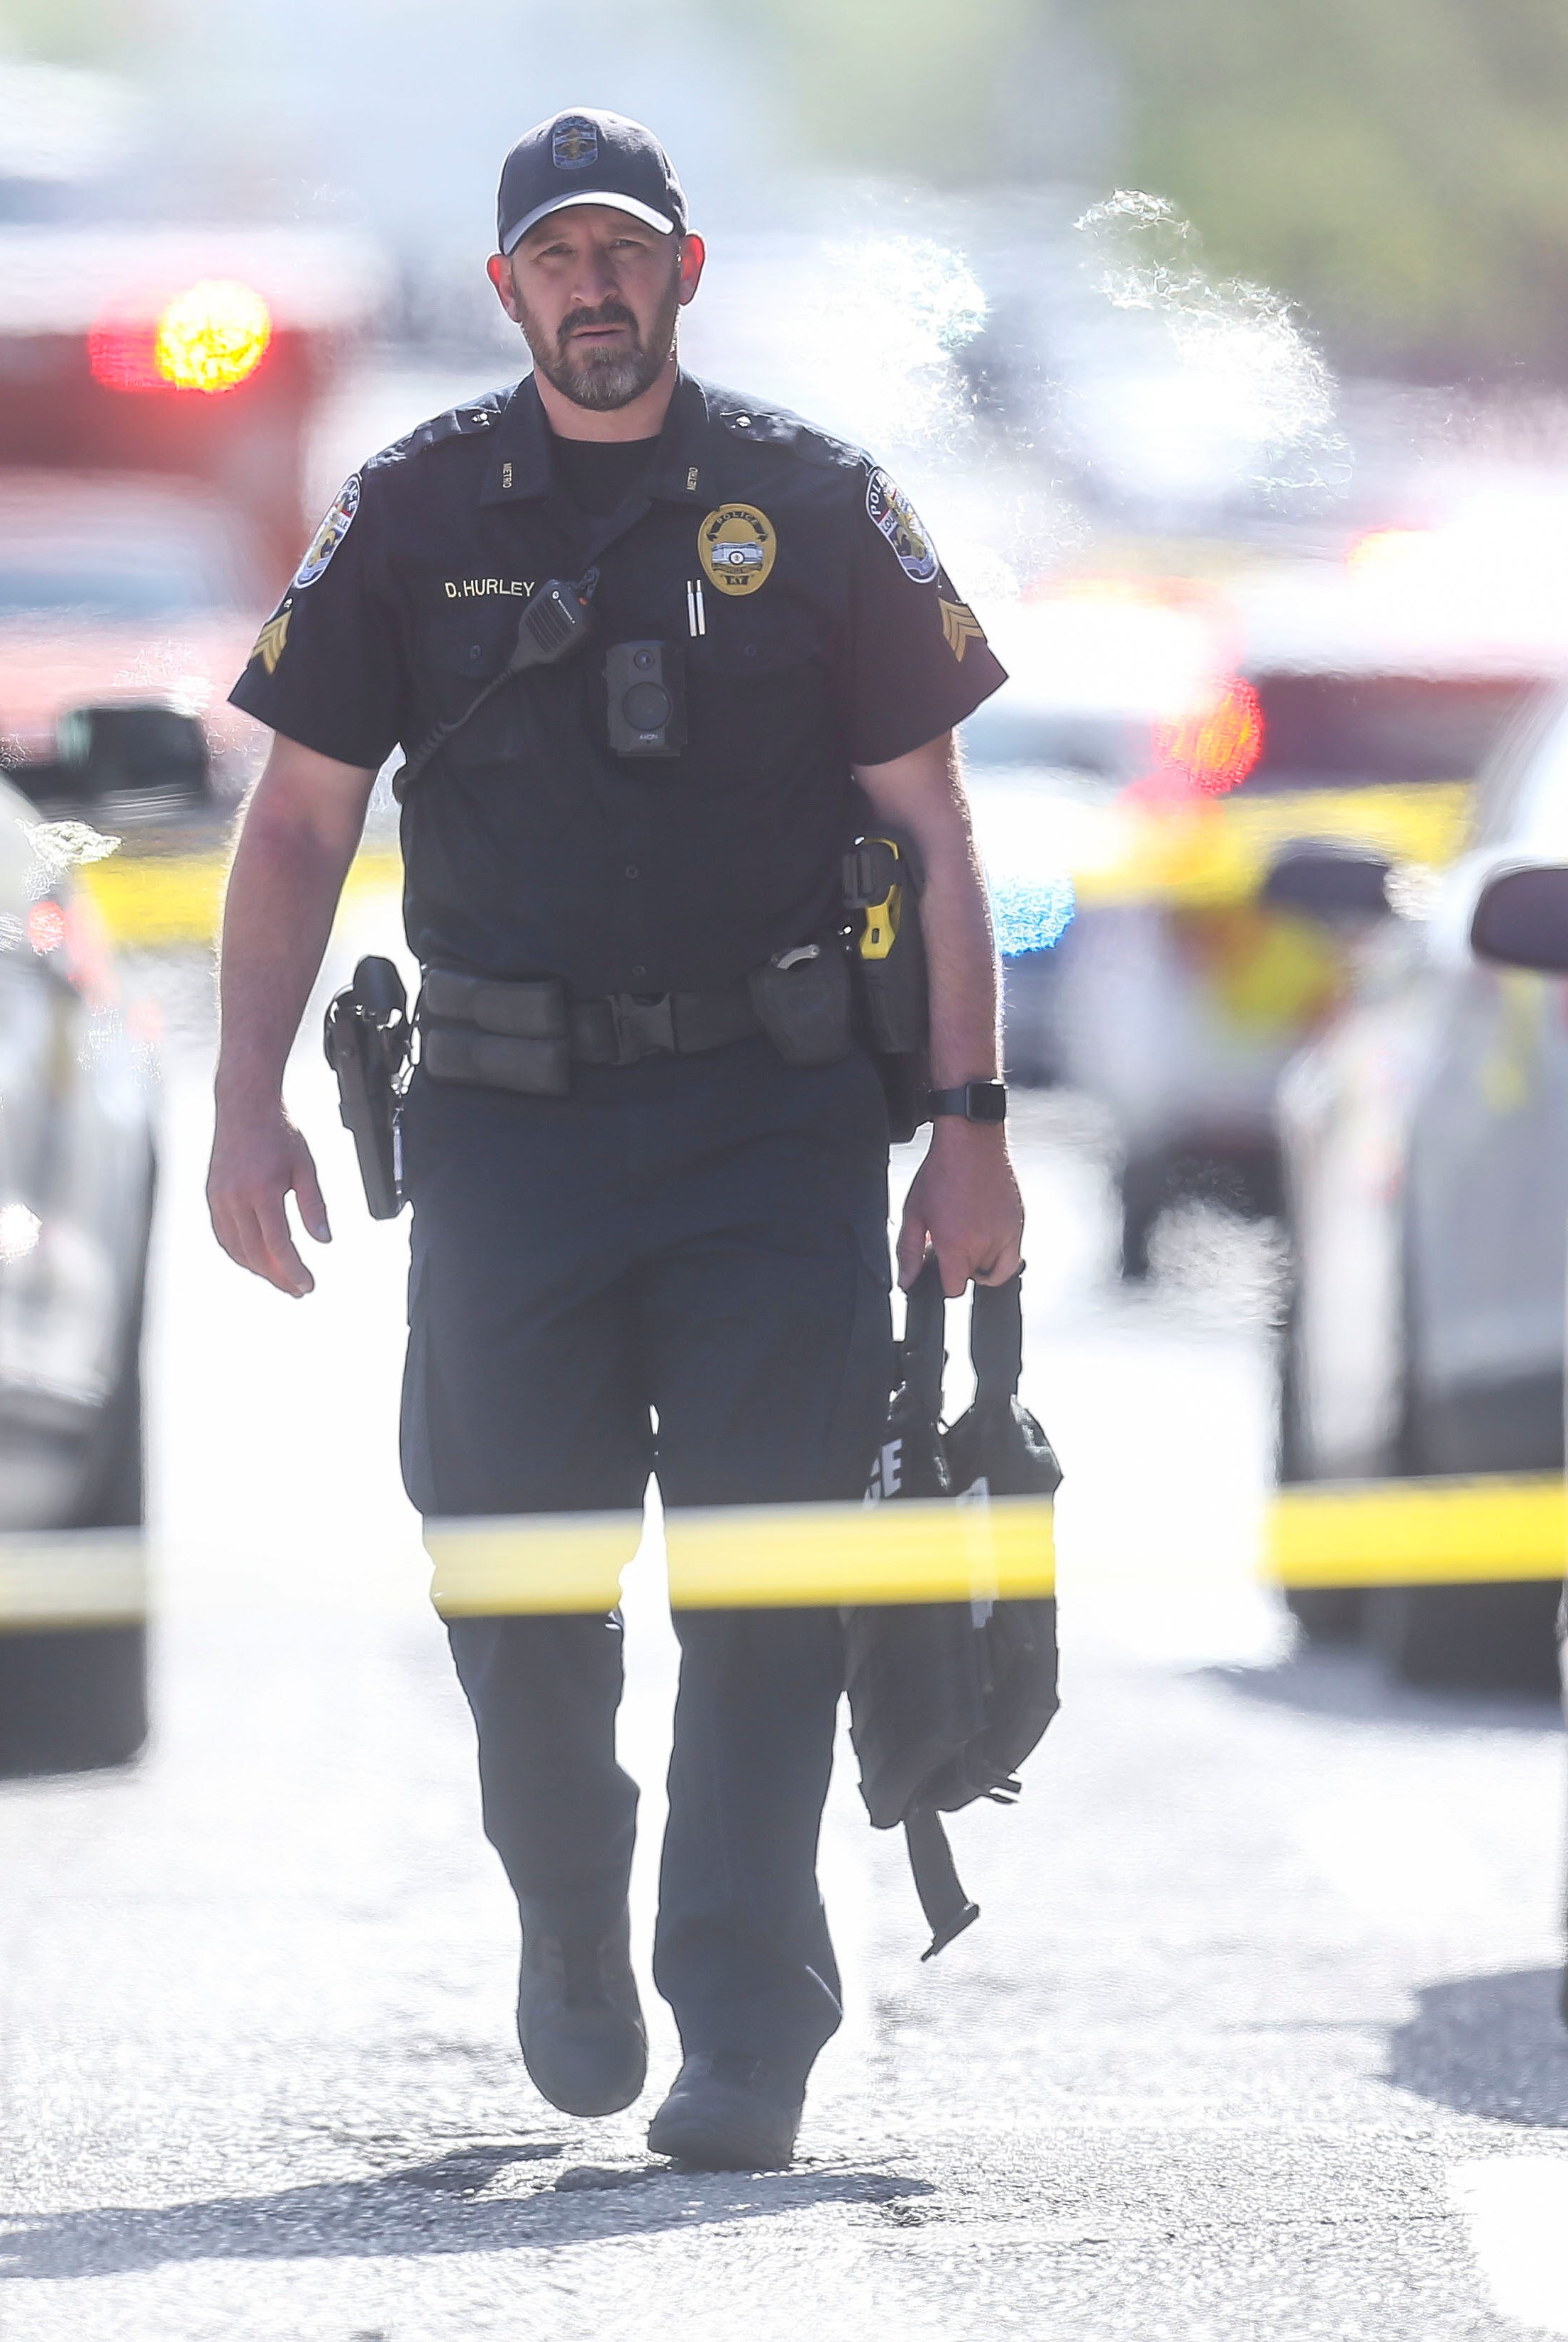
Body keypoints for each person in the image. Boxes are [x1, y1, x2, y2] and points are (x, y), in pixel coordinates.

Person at [205, 108, 1022, 2171]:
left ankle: (745, 2024)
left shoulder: (809, 501)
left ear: (684, 273)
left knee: (764, 1589)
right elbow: (298, 821)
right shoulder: (410, 512)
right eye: (556, 257)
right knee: (512, 1579)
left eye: (625, 252)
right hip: (507, 1131)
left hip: (774, 1128)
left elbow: (930, 829)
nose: (594, 285)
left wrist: (969, 1127)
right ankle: (569, 1905)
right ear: (506, 292)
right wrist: (242, 1106)